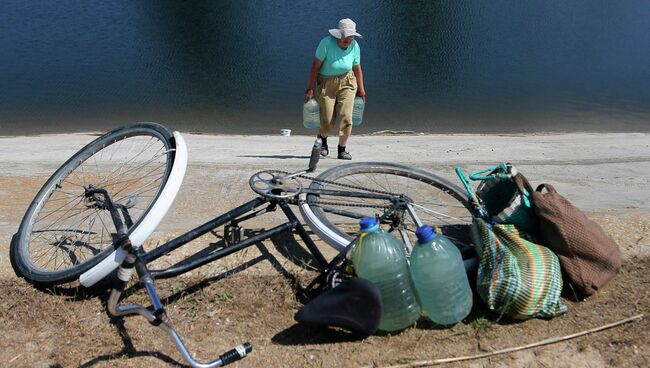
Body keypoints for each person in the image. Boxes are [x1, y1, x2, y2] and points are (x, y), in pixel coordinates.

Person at [305, 18, 366, 160]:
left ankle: (342, 149)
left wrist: (361, 89)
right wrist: (310, 88)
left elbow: (357, 68)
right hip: (327, 83)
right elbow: (315, 66)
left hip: (348, 82)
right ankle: (323, 140)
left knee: (347, 116)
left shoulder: (355, 45)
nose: (348, 40)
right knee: (327, 118)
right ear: (339, 35)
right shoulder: (326, 43)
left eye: (351, 37)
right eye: (346, 37)